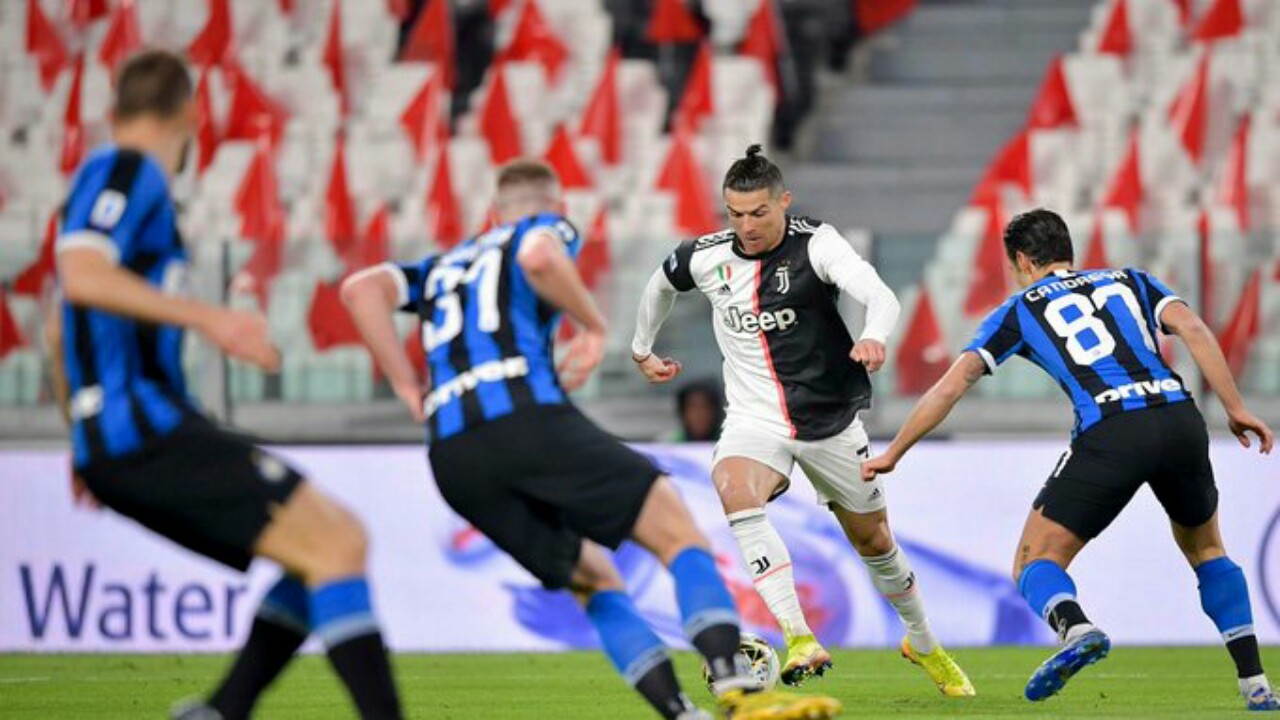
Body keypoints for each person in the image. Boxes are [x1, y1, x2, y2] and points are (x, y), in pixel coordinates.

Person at [340, 159, 842, 720]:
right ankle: (740, 690)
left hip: (452, 454)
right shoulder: (540, 229)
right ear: (556, 207)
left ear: (493, 214)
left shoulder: (439, 267)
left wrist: (406, 385)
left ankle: (682, 713)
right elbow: (538, 257)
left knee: (594, 579)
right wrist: (594, 326)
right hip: (523, 417)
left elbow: (360, 289)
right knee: (676, 531)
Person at [46, 50, 403, 719]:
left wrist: (82, 432)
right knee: (336, 544)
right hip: (143, 427)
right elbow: (82, 277)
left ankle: (220, 712)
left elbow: (57, 329)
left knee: (330, 543)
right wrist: (213, 319)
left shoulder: (118, 186)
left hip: (125, 432)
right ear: (191, 113)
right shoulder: (128, 169)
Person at [862, 208, 1279, 711]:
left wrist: (895, 451)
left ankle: (1076, 628)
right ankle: (1256, 684)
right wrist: (1235, 407)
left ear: (1022, 261)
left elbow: (953, 384)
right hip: (1180, 418)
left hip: (1112, 427)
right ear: (1067, 250)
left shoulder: (1019, 308)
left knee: (1033, 561)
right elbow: (1191, 326)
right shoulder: (1131, 280)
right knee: (1208, 550)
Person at [630, 145, 974, 696]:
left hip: (829, 422)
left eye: (758, 213)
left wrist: (873, 336)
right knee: (734, 489)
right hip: (754, 418)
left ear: (783, 202)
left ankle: (923, 640)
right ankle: (799, 637)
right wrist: (642, 347)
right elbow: (659, 284)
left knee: (874, 541)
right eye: (735, 214)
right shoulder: (705, 256)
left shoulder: (818, 244)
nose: (746, 227)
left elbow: (880, 296)